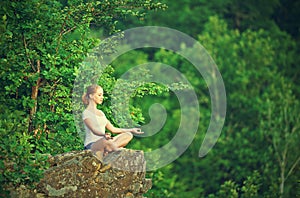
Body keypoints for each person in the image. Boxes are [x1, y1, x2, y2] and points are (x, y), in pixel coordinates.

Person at [82, 84, 143, 159]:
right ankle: (112, 148)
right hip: (92, 145)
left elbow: (113, 129)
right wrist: (103, 135)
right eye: (99, 95)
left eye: (102, 95)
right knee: (105, 141)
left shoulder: (101, 113)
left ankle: (109, 149)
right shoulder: (86, 113)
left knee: (128, 135)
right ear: (91, 96)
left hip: (105, 141)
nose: (102, 97)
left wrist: (132, 130)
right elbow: (94, 130)